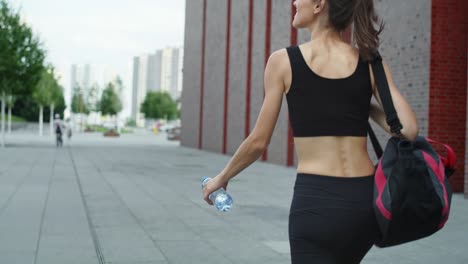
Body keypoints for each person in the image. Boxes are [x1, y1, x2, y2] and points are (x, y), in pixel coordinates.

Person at [202, 0, 419, 263]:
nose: (294, 2)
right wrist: (362, 103)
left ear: (319, 5)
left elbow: (259, 142)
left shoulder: (283, 61)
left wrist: (221, 178)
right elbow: (408, 129)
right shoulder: (370, 62)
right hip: (363, 204)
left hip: (317, 201)